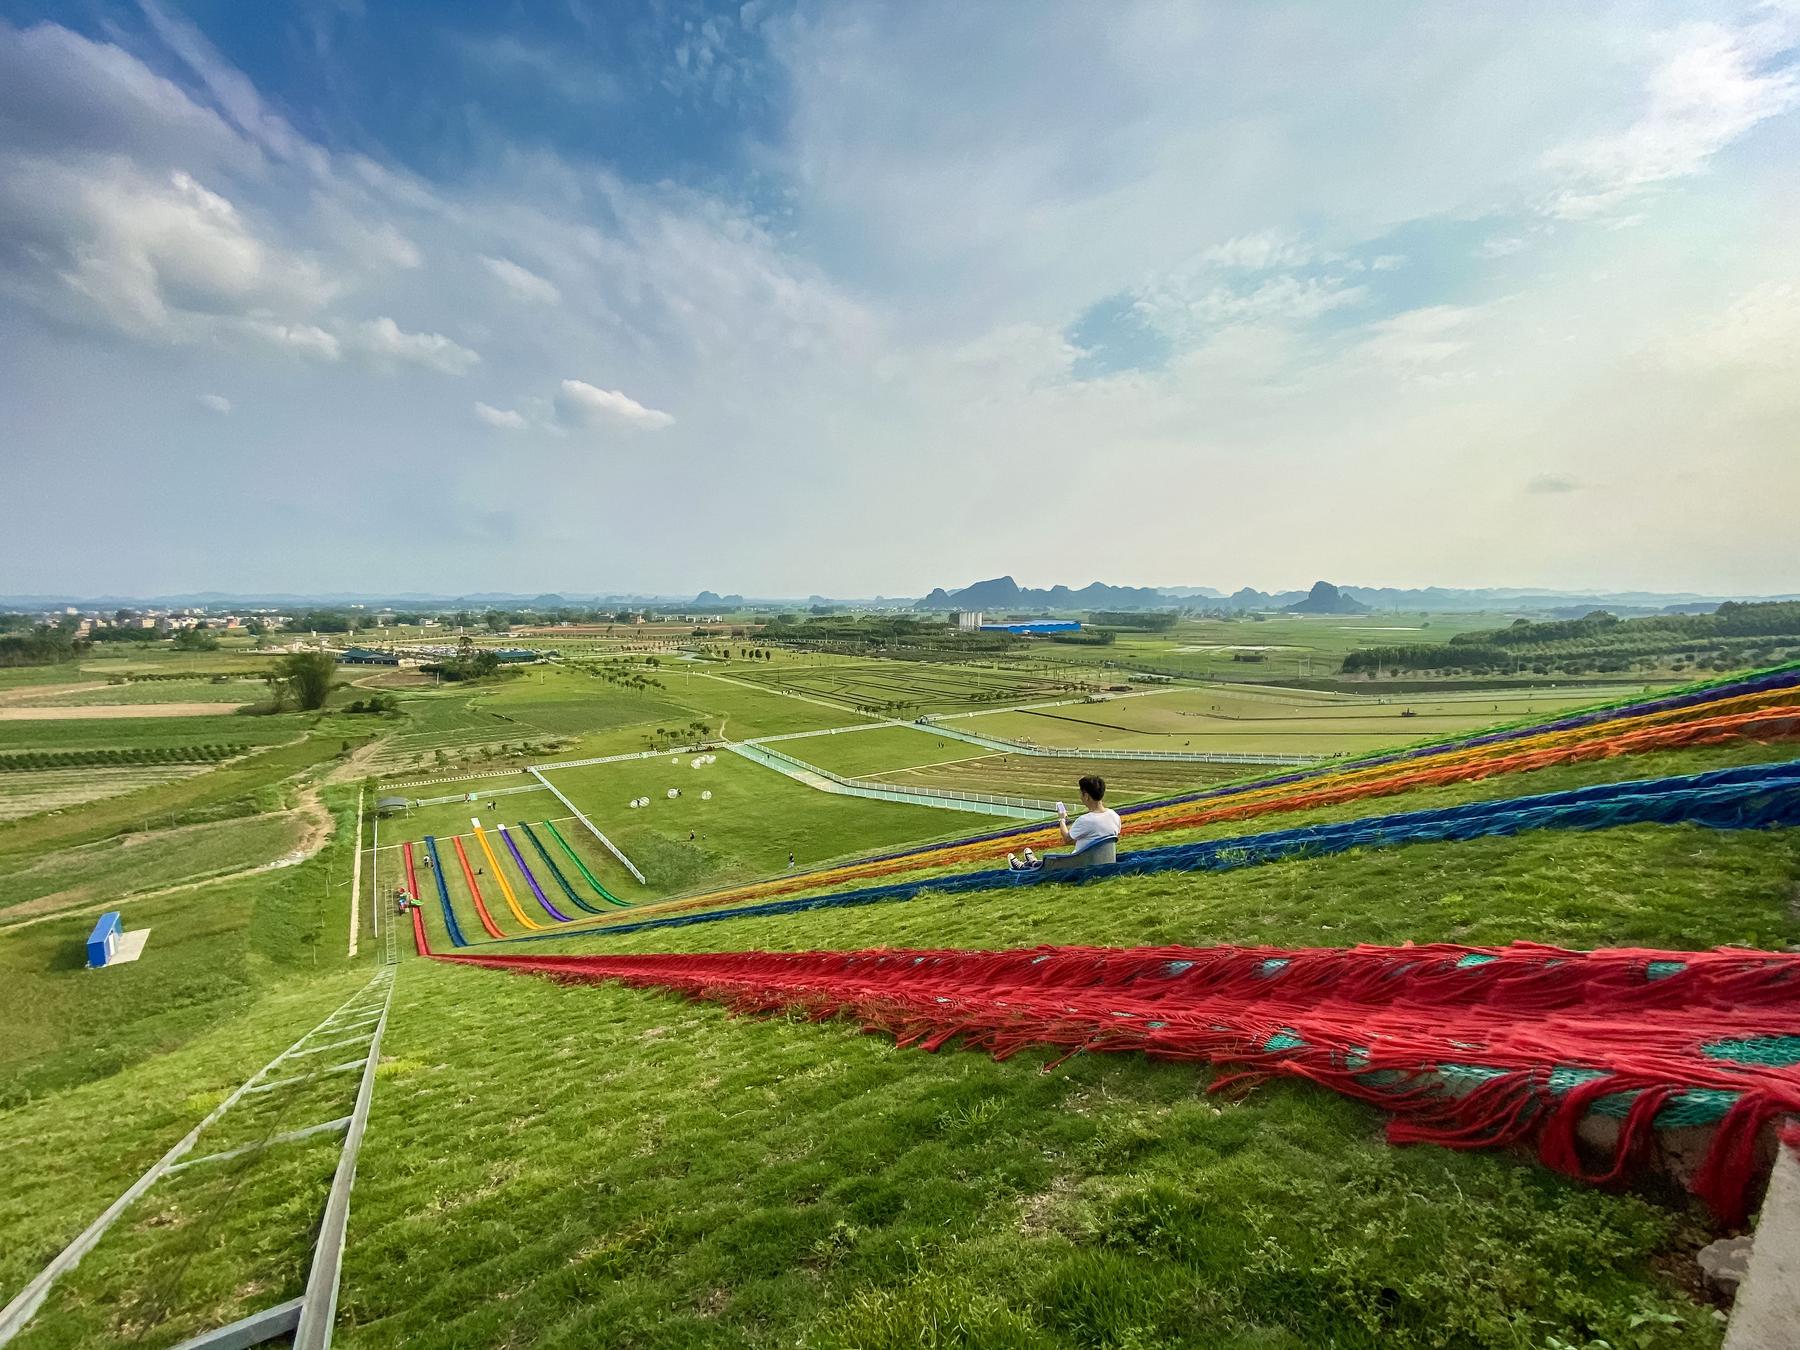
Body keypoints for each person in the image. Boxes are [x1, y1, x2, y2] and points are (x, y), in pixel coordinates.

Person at [1009, 775, 1121, 870]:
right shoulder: (1114, 816)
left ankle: (1025, 866)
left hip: (1082, 863)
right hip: (1104, 860)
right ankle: (1033, 862)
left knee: (1048, 861)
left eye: (1081, 794)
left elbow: (1067, 839)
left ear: (1086, 796)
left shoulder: (1086, 820)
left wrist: (1062, 819)